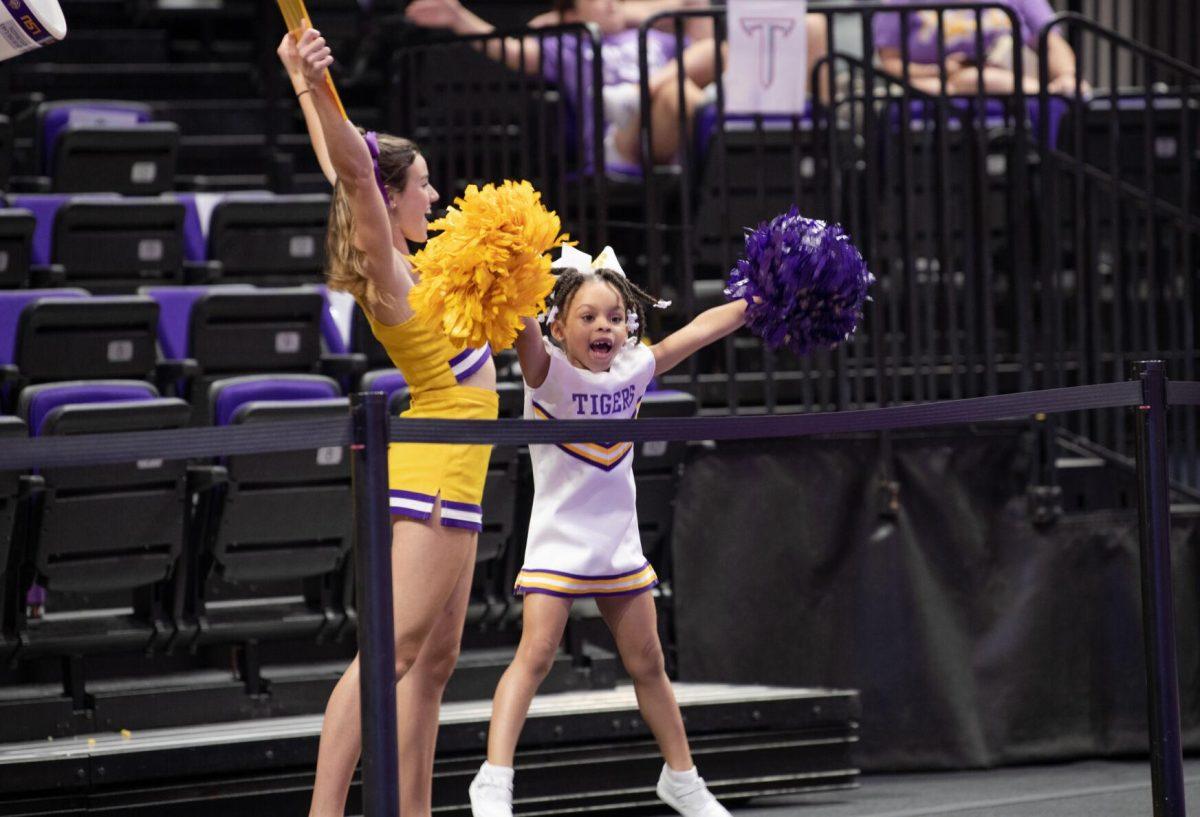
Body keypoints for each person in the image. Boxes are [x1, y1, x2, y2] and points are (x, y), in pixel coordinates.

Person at [287, 25, 499, 817]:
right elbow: (350, 167)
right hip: (437, 469)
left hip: (463, 470)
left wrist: (304, 83)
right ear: (391, 193)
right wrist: (312, 83)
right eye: (424, 184)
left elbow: (341, 159)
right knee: (390, 653)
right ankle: (325, 811)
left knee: (435, 661)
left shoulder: (416, 263)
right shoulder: (389, 266)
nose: (435, 196)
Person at [467, 245, 748, 817]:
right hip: (560, 539)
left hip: (617, 540)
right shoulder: (546, 372)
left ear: (631, 326)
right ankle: (493, 779)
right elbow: (521, 322)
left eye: (616, 318)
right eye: (589, 317)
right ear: (559, 325)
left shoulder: (634, 368)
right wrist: (504, 262)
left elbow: (693, 333)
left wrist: (754, 304)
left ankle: (683, 779)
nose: (605, 327)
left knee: (648, 662)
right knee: (537, 655)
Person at [406, 0, 830, 167]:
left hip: (666, 114)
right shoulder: (571, 41)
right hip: (622, 139)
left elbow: (704, 28)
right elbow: (519, 48)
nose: (615, 4)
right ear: (572, 13)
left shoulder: (650, 36)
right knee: (680, 90)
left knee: (696, 70)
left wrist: (628, 19)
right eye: (602, 0)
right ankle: (737, 151)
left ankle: (643, 95)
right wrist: (459, 18)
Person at [874, 0, 1087, 96]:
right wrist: (938, 71)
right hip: (936, 86)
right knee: (969, 79)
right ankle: (1043, 93)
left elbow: (1052, 42)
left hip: (1013, 81)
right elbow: (890, 61)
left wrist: (1068, 76)